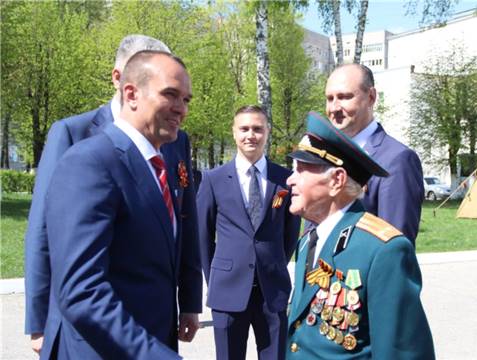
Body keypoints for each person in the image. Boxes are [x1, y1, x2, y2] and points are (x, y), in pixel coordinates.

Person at [42, 50, 202, 359]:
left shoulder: (156, 166)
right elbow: (82, 292)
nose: (181, 109)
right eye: (170, 94)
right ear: (131, 94)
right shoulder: (91, 161)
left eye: (186, 100)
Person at [285, 112, 435, 359]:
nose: (290, 179)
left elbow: (402, 352)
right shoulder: (307, 242)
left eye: (301, 170)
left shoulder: (384, 251)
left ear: (337, 180)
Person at [197, 105, 301, 360]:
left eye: (257, 129)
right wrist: (217, 277)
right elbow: (202, 236)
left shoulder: (285, 179)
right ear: (234, 132)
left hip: (272, 291)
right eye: (244, 128)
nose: (250, 135)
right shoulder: (213, 179)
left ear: (267, 132)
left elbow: (290, 235)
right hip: (228, 291)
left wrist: (272, 263)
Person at [325, 64, 424, 243]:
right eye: (330, 98)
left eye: (344, 97)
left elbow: (394, 249)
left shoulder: (396, 160)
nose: (334, 108)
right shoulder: (325, 155)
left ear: (371, 97)